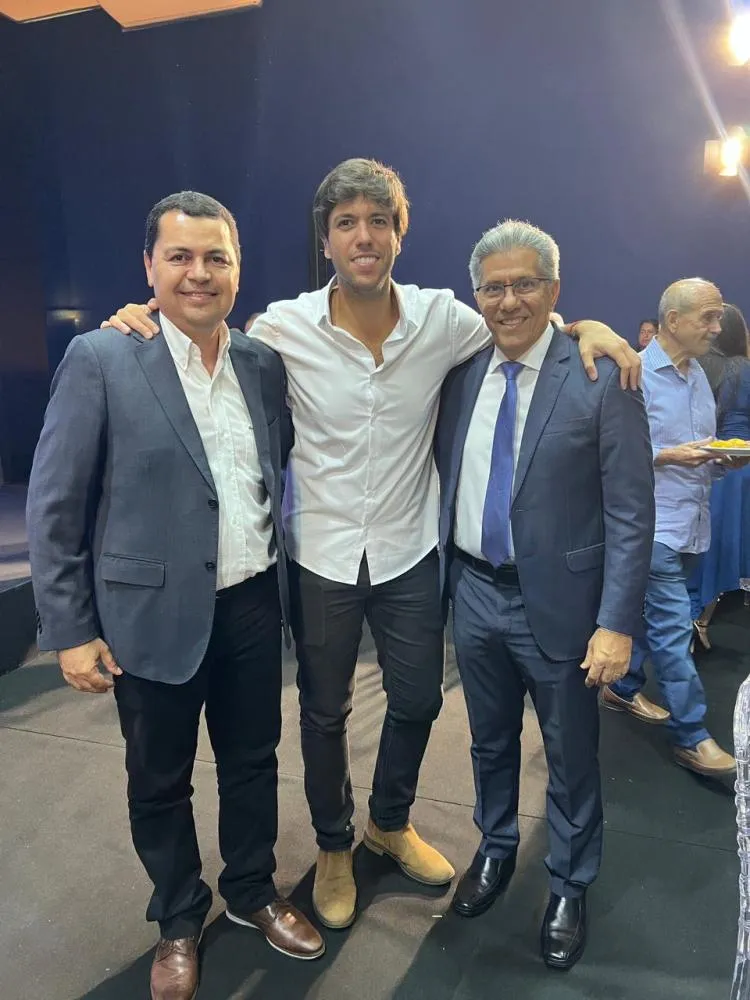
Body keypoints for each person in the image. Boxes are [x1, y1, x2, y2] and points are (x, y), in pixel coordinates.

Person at [102, 158, 641, 932]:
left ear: (400, 230)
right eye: (347, 222)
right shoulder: (281, 329)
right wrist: (139, 318)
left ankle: (389, 821)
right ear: (327, 239)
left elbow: (523, 322)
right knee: (323, 714)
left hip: (411, 549)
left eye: (378, 220)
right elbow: (197, 340)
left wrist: (587, 327)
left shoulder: (444, 320)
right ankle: (333, 846)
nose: (364, 236)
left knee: (419, 701)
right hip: (321, 554)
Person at [27, 191, 324, 1000]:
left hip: (253, 604)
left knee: (254, 765)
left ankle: (253, 892)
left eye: (216, 258)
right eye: (181, 258)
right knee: (158, 780)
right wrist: (70, 629)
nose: (199, 273)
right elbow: (55, 503)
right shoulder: (102, 357)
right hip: (146, 615)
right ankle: (178, 916)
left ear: (237, 269)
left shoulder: (262, 365)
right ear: (149, 267)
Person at [434, 220, 654, 970]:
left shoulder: (601, 375)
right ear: (477, 296)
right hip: (473, 594)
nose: (508, 301)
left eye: (525, 283)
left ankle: (568, 882)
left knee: (570, 755)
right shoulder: (462, 375)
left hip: (559, 607)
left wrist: (617, 622)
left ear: (555, 291)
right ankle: (495, 850)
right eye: (493, 287)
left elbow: (631, 511)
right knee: (489, 742)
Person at [601, 279, 743, 776]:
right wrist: (670, 456)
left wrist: (721, 459)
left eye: (717, 317)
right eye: (707, 317)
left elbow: (699, 444)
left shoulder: (698, 375)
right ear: (673, 321)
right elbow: (613, 451)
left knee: (654, 620)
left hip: (692, 522)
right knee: (672, 628)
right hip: (653, 525)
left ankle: (620, 687)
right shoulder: (634, 374)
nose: (716, 326)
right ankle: (692, 735)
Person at [688, 304, 750, 647]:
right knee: (726, 546)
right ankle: (701, 617)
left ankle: (693, 613)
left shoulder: (696, 368)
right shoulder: (744, 369)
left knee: (700, 547)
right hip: (740, 470)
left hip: (697, 465)